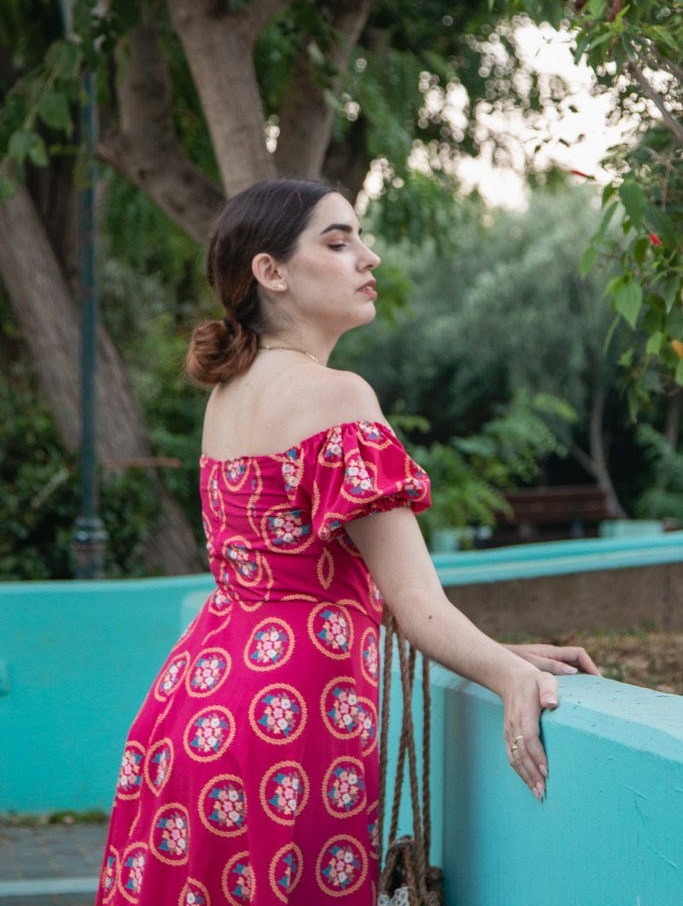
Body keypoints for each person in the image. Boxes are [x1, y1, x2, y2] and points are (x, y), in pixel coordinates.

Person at [96, 178, 599, 906]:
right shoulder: (337, 396)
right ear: (270, 272)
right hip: (288, 719)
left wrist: (493, 649)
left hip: (196, 709)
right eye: (338, 243)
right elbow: (412, 599)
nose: (369, 257)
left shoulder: (229, 393)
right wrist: (508, 676)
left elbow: (321, 580)